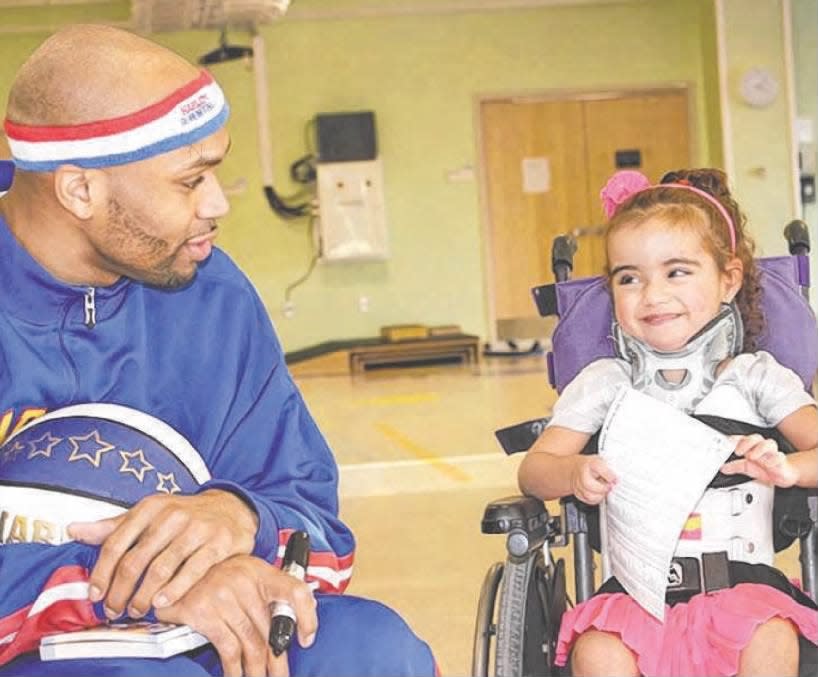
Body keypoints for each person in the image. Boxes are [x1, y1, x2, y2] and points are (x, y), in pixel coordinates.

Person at [0, 24, 435, 677]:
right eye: (189, 180)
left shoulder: (215, 294)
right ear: (79, 190)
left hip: (191, 614)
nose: (215, 203)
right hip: (31, 629)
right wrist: (149, 580)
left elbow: (318, 529)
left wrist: (240, 518)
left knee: (378, 648)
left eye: (217, 170)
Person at [518, 167, 818, 677]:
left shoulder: (757, 377)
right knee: (598, 653)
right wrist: (572, 473)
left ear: (729, 279)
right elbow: (533, 470)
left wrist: (789, 468)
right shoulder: (604, 381)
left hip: (745, 589)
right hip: (634, 596)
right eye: (629, 277)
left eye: (677, 271)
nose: (652, 294)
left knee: (770, 641)